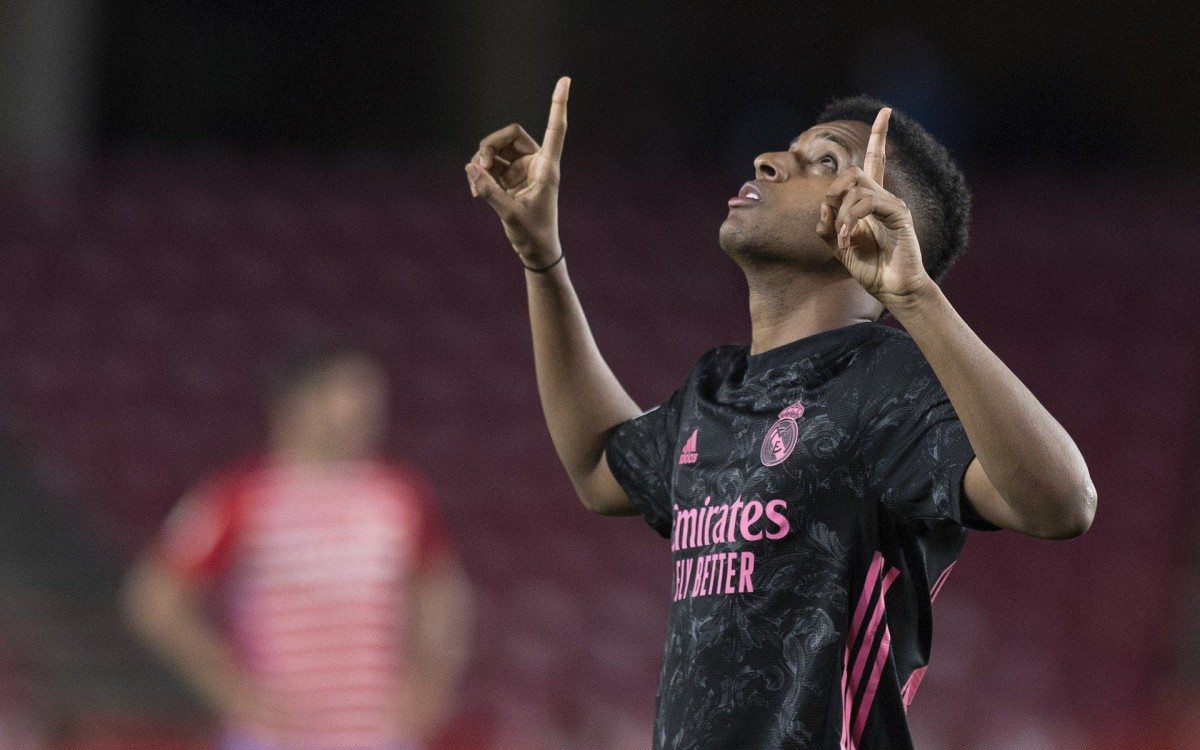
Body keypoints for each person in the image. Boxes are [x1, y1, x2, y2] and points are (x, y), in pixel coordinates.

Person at [464, 78, 1096, 749]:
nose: (770, 161)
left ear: (881, 211)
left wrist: (915, 295)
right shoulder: (718, 386)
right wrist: (541, 258)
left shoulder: (890, 384)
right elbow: (597, 463)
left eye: (825, 161)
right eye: (790, 152)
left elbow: (1062, 504)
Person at [122, 342, 472, 750]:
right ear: (298, 401)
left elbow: (442, 588)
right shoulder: (240, 495)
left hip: (377, 734)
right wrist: (232, 689)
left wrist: (434, 680)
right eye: (349, 390)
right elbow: (153, 601)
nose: (367, 407)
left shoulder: (397, 495)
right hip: (277, 737)